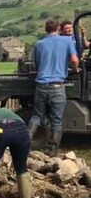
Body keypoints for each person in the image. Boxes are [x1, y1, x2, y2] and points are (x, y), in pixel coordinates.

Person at [28, 19, 79, 156]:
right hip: (57, 86)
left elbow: (37, 65)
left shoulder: (39, 44)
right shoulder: (67, 41)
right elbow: (74, 60)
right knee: (56, 120)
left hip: (41, 85)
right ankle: (52, 151)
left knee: (37, 116)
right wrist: (75, 70)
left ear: (46, 29)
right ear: (58, 28)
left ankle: (25, 144)